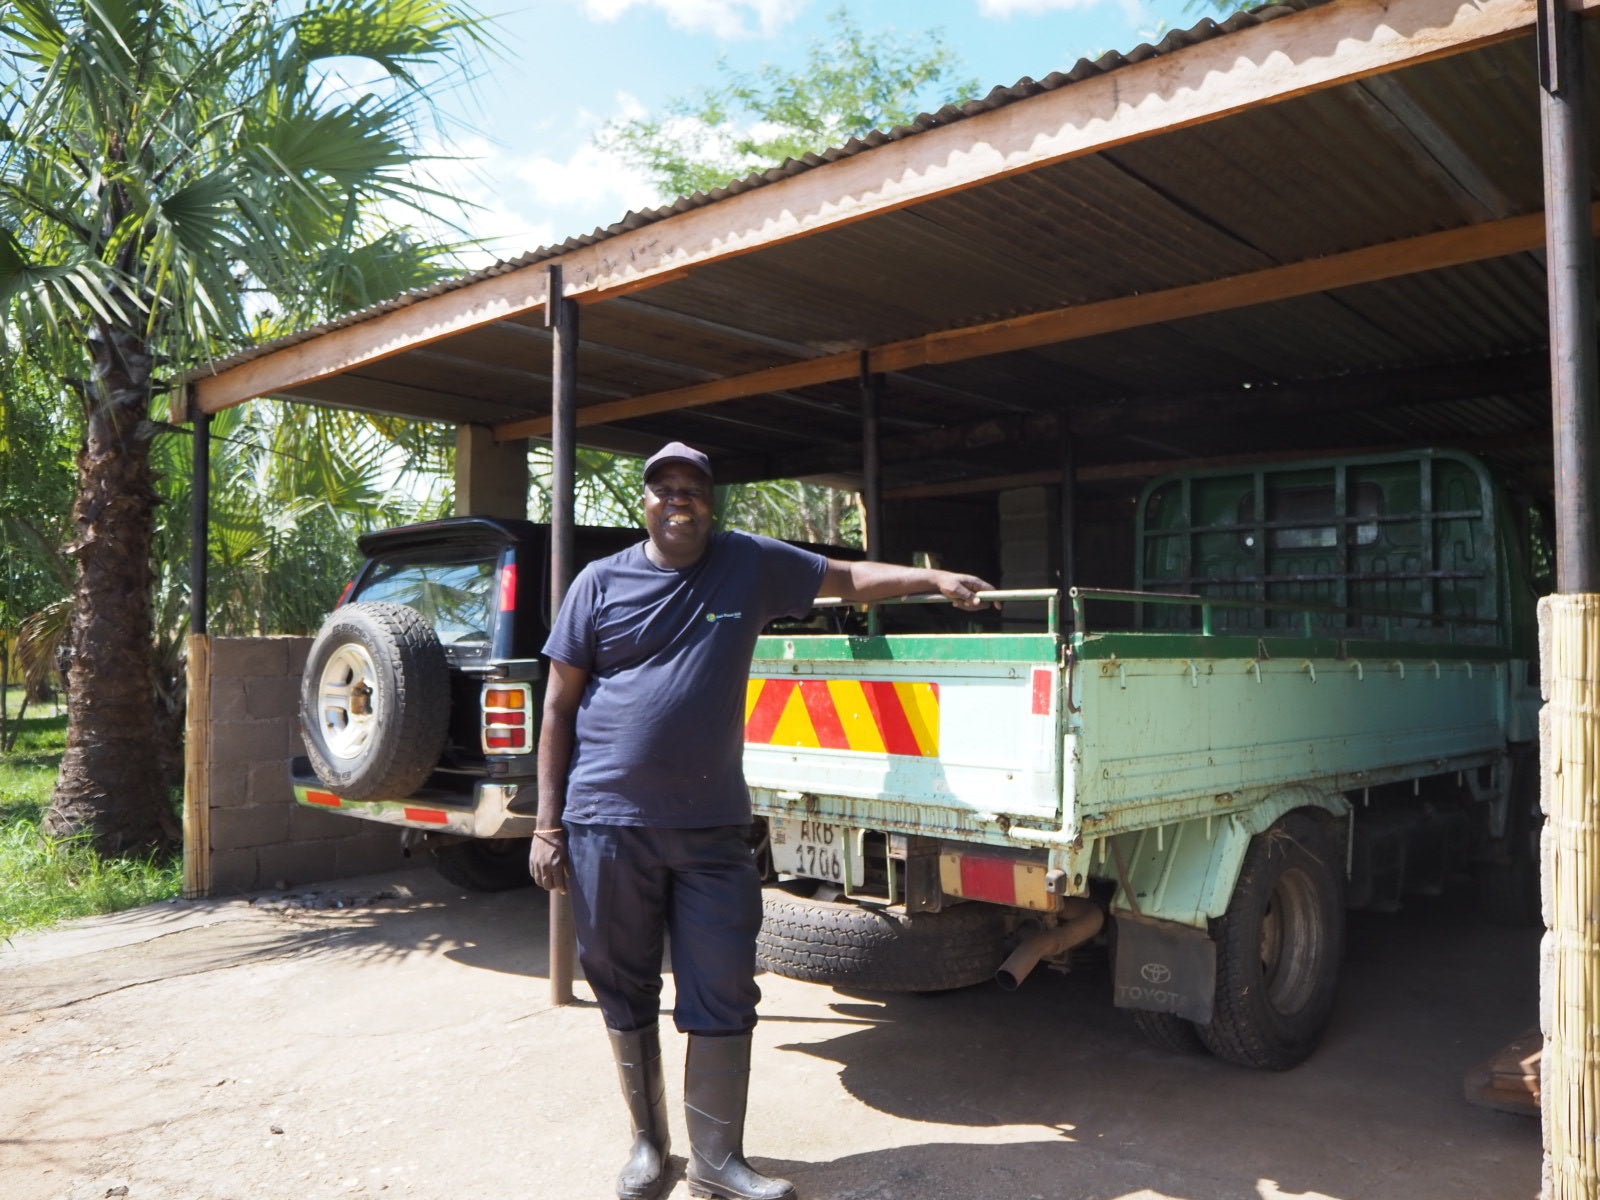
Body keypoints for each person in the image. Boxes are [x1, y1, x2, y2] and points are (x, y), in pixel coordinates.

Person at [530, 441, 994, 1200]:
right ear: (644, 502)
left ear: (711, 503)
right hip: (607, 820)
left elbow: (845, 578)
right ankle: (650, 1147)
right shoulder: (598, 583)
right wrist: (548, 826)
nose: (679, 499)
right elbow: (558, 705)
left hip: (712, 827)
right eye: (664, 488)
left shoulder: (746, 562)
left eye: (693, 489)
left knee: (722, 982)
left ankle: (718, 1162)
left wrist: (932, 577)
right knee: (624, 982)